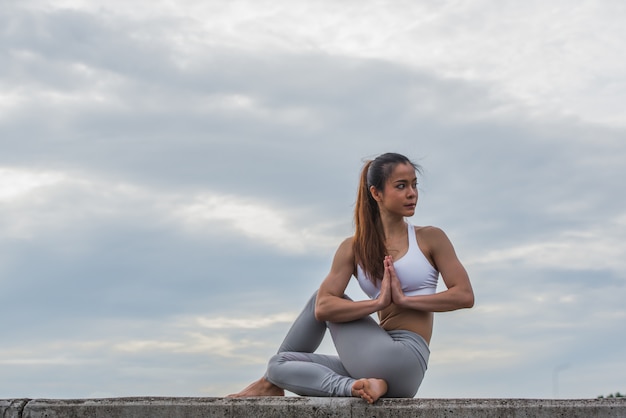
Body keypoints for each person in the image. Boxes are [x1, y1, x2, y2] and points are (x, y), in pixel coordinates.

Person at [228, 152, 474, 403]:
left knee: (318, 301)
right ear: (376, 193)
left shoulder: (430, 238)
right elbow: (325, 308)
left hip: (407, 356)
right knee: (279, 365)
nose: (412, 193)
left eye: (414, 185)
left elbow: (464, 295)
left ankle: (269, 384)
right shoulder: (354, 248)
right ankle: (361, 386)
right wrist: (377, 304)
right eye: (401, 186)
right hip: (376, 362)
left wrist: (403, 300)